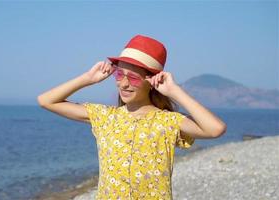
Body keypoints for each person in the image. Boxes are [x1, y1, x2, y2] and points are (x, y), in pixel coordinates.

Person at [37, 34, 227, 200]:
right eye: (119, 75)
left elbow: (215, 129)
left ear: (151, 81)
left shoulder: (168, 121)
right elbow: (46, 100)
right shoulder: (106, 117)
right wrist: (87, 78)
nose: (124, 84)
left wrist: (174, 91)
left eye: (134, 78)